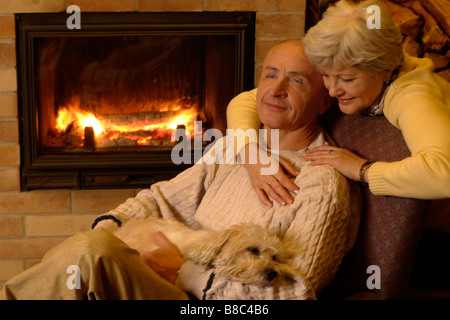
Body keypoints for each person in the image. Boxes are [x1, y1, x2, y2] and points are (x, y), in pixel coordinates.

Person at [1, 39, 360, 300]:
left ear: (324, 99)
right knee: (89, 251)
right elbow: (164, 200)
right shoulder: (237, 149)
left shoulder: (322, 182)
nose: (276, 90)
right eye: (270, 75)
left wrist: (182, 271)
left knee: (90, 255)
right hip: (165, 279)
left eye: (296, 80)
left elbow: (292, 295)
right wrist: (113, 228)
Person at [227, 0, 450, 208]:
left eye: (347, 80)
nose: (332, 90)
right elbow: (245, 100)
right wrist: (250, 153)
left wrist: (361, 169)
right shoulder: (347, 67)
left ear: (386, 71)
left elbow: (444, 174)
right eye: (325, 75)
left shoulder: (413, 96)